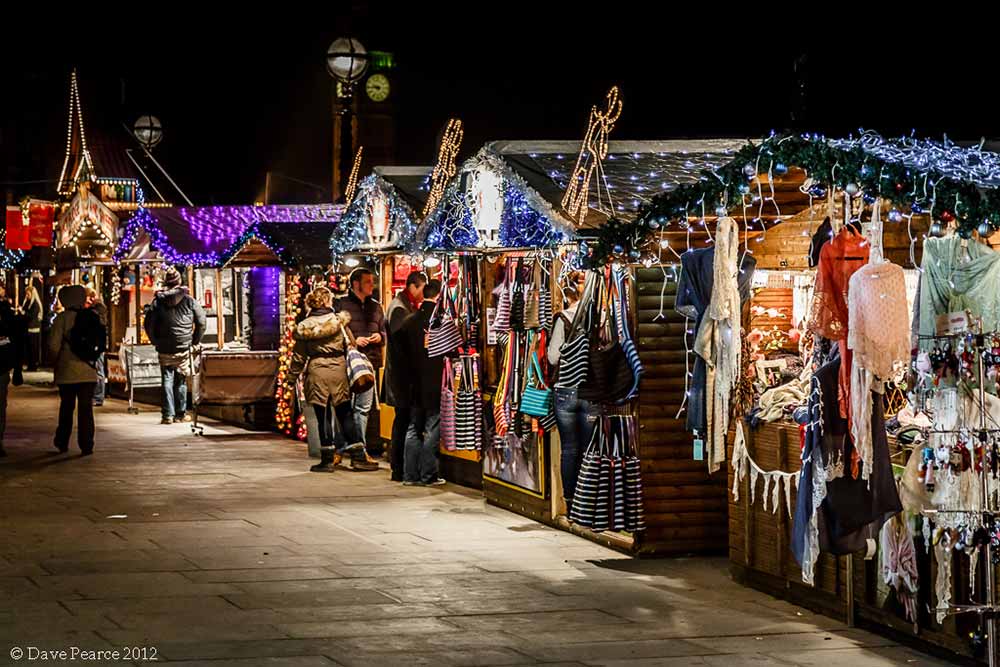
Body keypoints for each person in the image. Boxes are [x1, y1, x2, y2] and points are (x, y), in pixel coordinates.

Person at [284, 286, 366, 473]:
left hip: (316, 372)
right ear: (328, 301)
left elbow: (298, 357)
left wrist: (291, 379)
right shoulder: (338, 322)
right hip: (338, 370)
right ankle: (358, 456)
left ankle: (327, 460)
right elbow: (351, 344)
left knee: (323, 417)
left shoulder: (305, 326)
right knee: (345, 413)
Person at [548, 271, 598, 508]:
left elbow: (552, 357)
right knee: (590, 448)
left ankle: (569, 500)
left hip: (566, 389)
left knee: (569, 448)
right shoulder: (597, 316)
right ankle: (588, 502)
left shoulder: (563, 319)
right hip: (590, 388)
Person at [335, 267, 386, 470]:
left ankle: (359, 451)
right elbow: (337, 332)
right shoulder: (341, 305)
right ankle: (341, 450)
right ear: (356, 284)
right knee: (346, 410)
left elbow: (383, 330)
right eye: (368, 282)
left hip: (370, 364)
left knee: (363, 410)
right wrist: (355, 341)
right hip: (347, 365)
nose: (372, 285)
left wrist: (380, 337)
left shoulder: (376, 307)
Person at [397, 279, 446, 486]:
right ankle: (428, 475)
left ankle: (409, 475)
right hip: (435, 383)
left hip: (413, 384)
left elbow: (401, 356)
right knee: (433, 428)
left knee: (413, 428)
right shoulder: (441, 323)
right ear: (439, 297)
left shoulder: (408, 322)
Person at [143, 267, 206, 424]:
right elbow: (202, 323)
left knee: (166, 379)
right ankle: (180, 413)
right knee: (181, 379)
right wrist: (194, 341)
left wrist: (155, 341)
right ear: (179, 282)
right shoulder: (189, 301)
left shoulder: (158, 302)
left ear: (166, 283)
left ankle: (167, 415)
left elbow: (148, 325)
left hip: (164, 347)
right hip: (183, 345)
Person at [384, 270, 426, 481]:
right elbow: (403, 344)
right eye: (421, 289)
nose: (422, 294)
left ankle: (399, 466)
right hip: (402, 376)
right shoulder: (400, 309)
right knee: (403, 420)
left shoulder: (401, 306)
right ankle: (399, 467)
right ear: (412, 286)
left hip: (401, 375)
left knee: (402, 420)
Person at [48, 285, 99, 456]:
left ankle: (62, 441)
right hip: (88, 371)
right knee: (86, 410)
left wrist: (55, 361)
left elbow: (53, 345)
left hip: (67, 371)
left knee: (66, 408)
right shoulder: (92, 317)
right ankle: (87, 444)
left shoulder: (61, 319)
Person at [0, 285, 25, 457]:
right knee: (0, 404)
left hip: (2, 364)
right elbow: (16, 338)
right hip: (2, 365)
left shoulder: (5, 312)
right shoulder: (6, 312)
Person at [85, 287, 108, 407]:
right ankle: (95, 395)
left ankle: (98, 397)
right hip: (95, 343)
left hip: (96, 343)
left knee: (98, 370)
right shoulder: (97, 308)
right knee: (96, 370)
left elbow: (99, 326)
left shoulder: (97, 308)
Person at [20, 283, 42, 372]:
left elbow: (31, 316)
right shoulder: (27, 302)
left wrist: (23, 312)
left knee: (33, 348)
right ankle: (30, 364)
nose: (27, 295)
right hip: (28, 329)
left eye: (28, 294)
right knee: (29, 348)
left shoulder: (35, 304)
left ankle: (33, 365)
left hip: (33, 329)